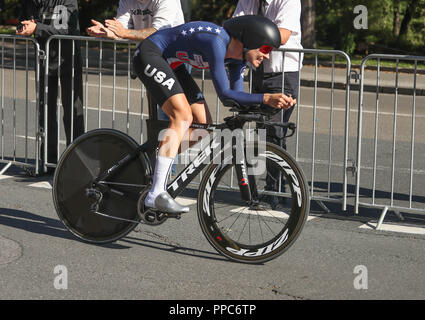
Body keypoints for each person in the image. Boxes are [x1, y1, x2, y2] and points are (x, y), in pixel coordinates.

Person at [132, 15, 296, 214]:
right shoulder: (216, 41)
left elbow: (235, 99)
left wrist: (273, 104)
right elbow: (225, 94)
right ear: (250, 40)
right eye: (266, 49)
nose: (268, 56)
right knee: (182, 116)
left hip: (172, 64)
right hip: (150, 53)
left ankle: (156, 161)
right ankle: (155, 194)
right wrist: (265, 97)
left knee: (203, 125)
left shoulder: (237, 60)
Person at [233, 0, 303, 208]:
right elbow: (235, 29)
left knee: (274, 130)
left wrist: (255, 49)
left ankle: (275, 192)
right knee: (261, 131)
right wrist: (249, 49)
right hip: (259, 71)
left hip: (283, 72)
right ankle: (260, 192)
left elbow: (281, 35)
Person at [17, 0, 84, 174]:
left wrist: (36, 28)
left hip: (68, 60)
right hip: (44, 60)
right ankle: (47, 162)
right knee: (45, 113)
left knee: (72, 114)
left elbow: (62, 28)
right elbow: (24, 20)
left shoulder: (65, 0)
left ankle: (75, 163)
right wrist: (23, 27)